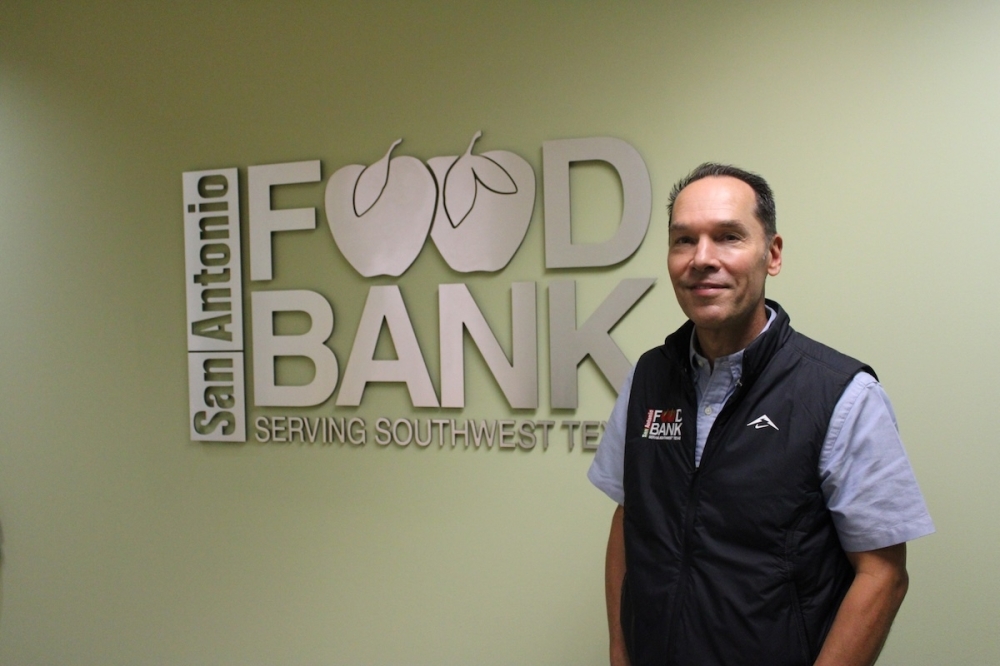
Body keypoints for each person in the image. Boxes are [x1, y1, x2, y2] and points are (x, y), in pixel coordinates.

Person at [588, 163, 934, 666]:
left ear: (772, 255)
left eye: (728, 237)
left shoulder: (840, 394)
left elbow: (883, 575)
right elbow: (629, 518)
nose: (702, 259)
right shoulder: (649, 377)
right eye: (684, 240)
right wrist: (620, 654)